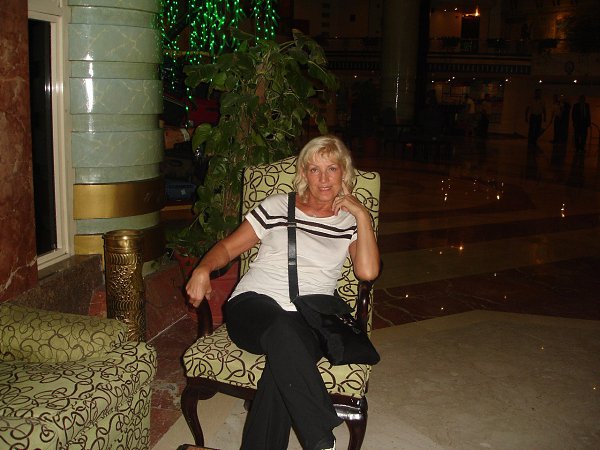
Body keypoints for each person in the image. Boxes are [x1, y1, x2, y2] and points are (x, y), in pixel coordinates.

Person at [186, 135, 380, 450]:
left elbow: (367, 272)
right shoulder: (276, 206)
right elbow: (228, 248)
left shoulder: (349, 222)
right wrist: (203, 269)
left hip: (310, 317)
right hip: (254, 306)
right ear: (303, 174)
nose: (324, 179)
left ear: (344, 173)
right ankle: (321, 440)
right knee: (282, 329)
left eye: (332, 169)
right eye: (314, 170)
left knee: (281, 372)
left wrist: (362, 216)